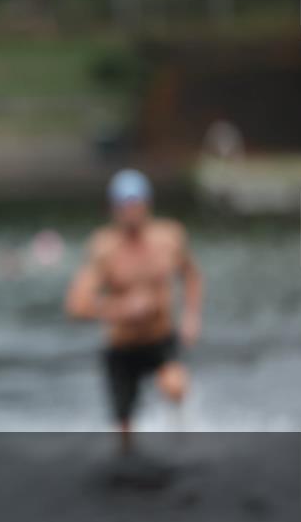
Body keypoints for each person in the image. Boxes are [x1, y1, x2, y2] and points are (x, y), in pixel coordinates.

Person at [65, 169, 203, 454]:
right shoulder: (104, 249)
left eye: (135, 205)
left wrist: (191, 317)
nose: (130, 213)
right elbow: (76, 305)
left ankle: (182, 442)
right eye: (123, 207)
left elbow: (191, 276)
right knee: (124, 431)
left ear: (147, 205)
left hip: (160, 338)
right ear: (113, 210)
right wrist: (121, 308)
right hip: (122, 346)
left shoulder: (170, 238)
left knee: (175, 386)